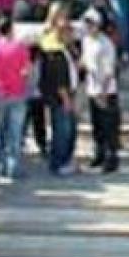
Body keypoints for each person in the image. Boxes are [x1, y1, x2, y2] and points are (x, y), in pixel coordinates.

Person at [0, 14, 33, 180]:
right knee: (15, 132)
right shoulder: (20, 48)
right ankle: (12, 167)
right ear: (11, 30)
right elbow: (26, 71)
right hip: (17, 92)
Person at [38, 10, 81, 177]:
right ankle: (59, 163)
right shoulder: (52, 49)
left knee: (69, 129)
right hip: (60, 96)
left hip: (69, 92)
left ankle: (66, 160)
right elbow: (59, 77)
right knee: (62, 130)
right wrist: (66, 98)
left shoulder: (65, 47)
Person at [82, 10, 122, 174]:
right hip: (92, 88)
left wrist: (103, 92)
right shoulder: (86, 41)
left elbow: (109, 70)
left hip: (106, 90)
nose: (88, 27)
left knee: (109, 126)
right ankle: (99, 154)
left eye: (91, 23)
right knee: (97, 125)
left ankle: (111, 157)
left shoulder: (105, 44)